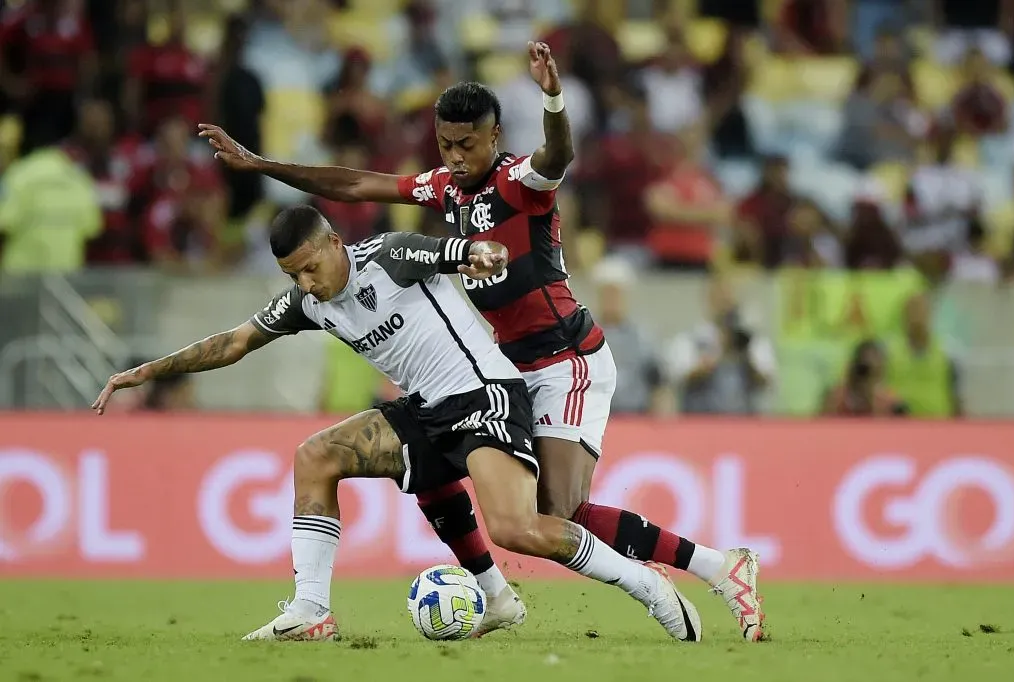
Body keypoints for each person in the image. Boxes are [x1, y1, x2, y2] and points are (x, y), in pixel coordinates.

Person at [197, 41, 763, 643]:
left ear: (494, 136)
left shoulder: (522, 182)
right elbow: (360, 184)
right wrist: (264, 166)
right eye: (445, 144)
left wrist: (552, 96)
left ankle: (716, 566)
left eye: (467, 144)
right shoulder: (447, 189)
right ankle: (521, 591)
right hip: (512, 363)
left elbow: (560, 151)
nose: (456, 156)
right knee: (469, 480)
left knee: (554, 515)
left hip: (568, 360)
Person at [91, 206, 701, 643]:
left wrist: (481, 253)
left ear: (333, 243)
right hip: (424, 410)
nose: (306, 284)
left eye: (310, 268)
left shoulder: (388, 257)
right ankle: (312, 610)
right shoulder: (307, 302)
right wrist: (147, 372)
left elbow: (459, 252)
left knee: (517, 529)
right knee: (316, 456)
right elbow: (233, 342)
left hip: (483, 395)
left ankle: (648, 587)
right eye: (293, 277)